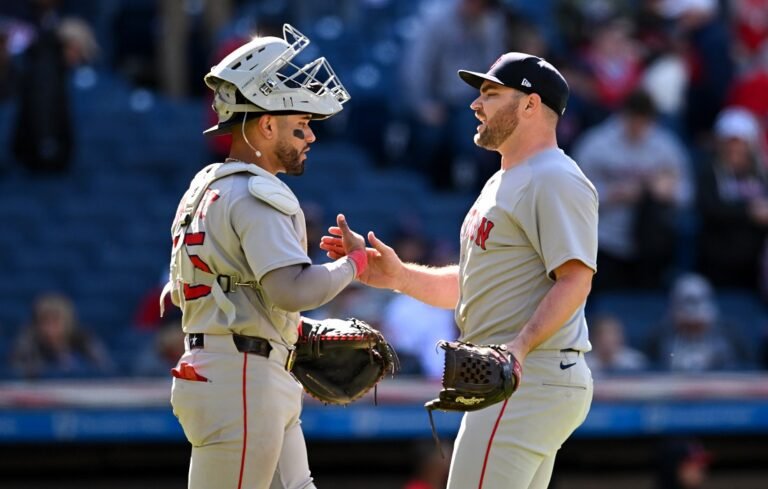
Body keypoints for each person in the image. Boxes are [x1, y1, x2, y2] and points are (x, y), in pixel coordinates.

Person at [322, 52, 598, 489]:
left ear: (529, 104)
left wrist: (519, 348)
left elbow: (577, 279)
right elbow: (472, 287)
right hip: (520, 378)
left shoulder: (555, 177)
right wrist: (398, 277)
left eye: (490, 93)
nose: (476, 104)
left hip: (527, 376)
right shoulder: (502, 181)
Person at [163, 24, 368, 489]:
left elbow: (178, 290)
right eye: (302, 124)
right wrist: (355, 264)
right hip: (241, 378)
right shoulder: (259, 192)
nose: (310, 137)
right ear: (266, 124)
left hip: (239, 369)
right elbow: (289, 290)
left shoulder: (207, 184)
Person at [572, 89, 691, 290]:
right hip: (604, 239)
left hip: (650, 242)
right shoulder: (596, 144)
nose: (638, 127)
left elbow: (687, 193)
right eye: (633, 120)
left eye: (643, 121)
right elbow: (573, 196)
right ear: (623, 115)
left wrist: (666, 191)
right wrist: (614, 193)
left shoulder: (665, 145)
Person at [9, 292, 114, 379]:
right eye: (44, 321)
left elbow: (104, 368)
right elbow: (16, 371)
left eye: (55, 321)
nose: (49, 327)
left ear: (67, 321)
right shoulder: (28, 339)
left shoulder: (83, 338)